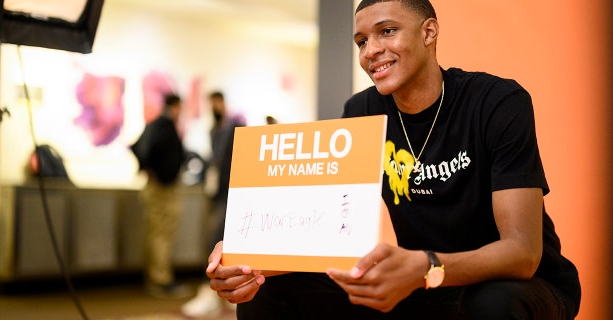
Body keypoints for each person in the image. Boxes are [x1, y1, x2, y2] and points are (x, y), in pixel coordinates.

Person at [203, 1, 582, 319]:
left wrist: (426, 268)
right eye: (361, 40)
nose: (370, 51)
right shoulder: (362, 111)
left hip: (520, 286)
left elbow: (523, 253)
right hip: (420, 283)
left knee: (494, 304)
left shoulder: (497, 102)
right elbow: (321, 238)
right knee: (273, 289)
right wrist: (245, 265)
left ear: (429, 32)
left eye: (387, 31)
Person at [181, 91, 246, 317]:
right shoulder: (214, 130)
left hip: (233, 191)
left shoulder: (235, 128)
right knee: (214, 238)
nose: (214, 107)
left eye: (216, 102)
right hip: (217, 192)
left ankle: (219, 291)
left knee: (221, 238)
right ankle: (217, 292)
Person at [130, 93, 188, 299]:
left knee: (157, 235)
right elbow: (145, 150)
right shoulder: (165, 126)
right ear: (176, 106)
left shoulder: (154, 124)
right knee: (161, 236)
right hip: (163, 190)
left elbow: (135, 146)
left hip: (156, 187)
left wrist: (146, 166)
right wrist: (158, 171)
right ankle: (161, 280)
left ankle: (157, 277)